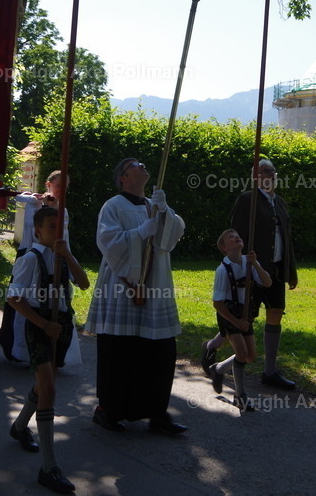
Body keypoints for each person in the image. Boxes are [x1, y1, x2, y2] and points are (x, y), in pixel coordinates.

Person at [84, 158, 187, 434]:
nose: (143, 166)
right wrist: (141, 231)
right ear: (123, 178)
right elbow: (108, 243)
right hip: (121, 285)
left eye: (143, 163)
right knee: (119, 349)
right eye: (135, 164)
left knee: (159, 349)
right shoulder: (113, 206)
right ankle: (109, 410)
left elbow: (171, 239)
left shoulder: (153, 205)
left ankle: (156, 412)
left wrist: (165, 212)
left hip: (155, 283)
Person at [6, 206, 89, 493]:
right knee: (49, 389)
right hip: (41, 326)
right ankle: (49, 466)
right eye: (52, 227)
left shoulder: (62, 256)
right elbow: (14, 299)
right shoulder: (30, 259)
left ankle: (19, 427)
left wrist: (67, 254)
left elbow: (84, 283)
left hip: (62, 326)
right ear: (37, 231)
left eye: (61, 227)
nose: (58, 232)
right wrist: (43, 324)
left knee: (45, 385)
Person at [202, 159, 298, 390]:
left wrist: (291, 271)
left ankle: (270, 371)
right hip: (251, 270)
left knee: (275, 313)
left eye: (273, 171)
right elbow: (234, 235)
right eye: (265, 171)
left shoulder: (281, 203)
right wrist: (237, 266)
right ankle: (212, 346)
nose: (271, 175)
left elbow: (287, 240)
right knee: (244, 321)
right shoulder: (248, 200)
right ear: (255, 177)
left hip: (274, 270)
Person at [0, 170, 70, 362]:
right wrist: (38, 202)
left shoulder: (62, 210)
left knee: (47, 302)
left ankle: (48, 347)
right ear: (48, 185)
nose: (62, 190)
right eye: (59, 185)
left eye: (66, 187)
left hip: (51, 258)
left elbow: (63, 238)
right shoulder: (34, 203)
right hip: (30, 257)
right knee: (20, 300)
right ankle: (14, 345)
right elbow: (19, 200)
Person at [207, 229, 271, 412]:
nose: (237, 238)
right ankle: (240, 395)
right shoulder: (222, 270)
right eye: (231, 237)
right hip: (228, 314)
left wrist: (255, 264)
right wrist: (235, 322)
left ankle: (218, 369)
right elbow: (217, 303)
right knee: (242, 354)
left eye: (238, 236)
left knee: (251, 356)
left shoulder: (248, 262)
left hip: (245, 314)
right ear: (224, 248)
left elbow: (267, 283)